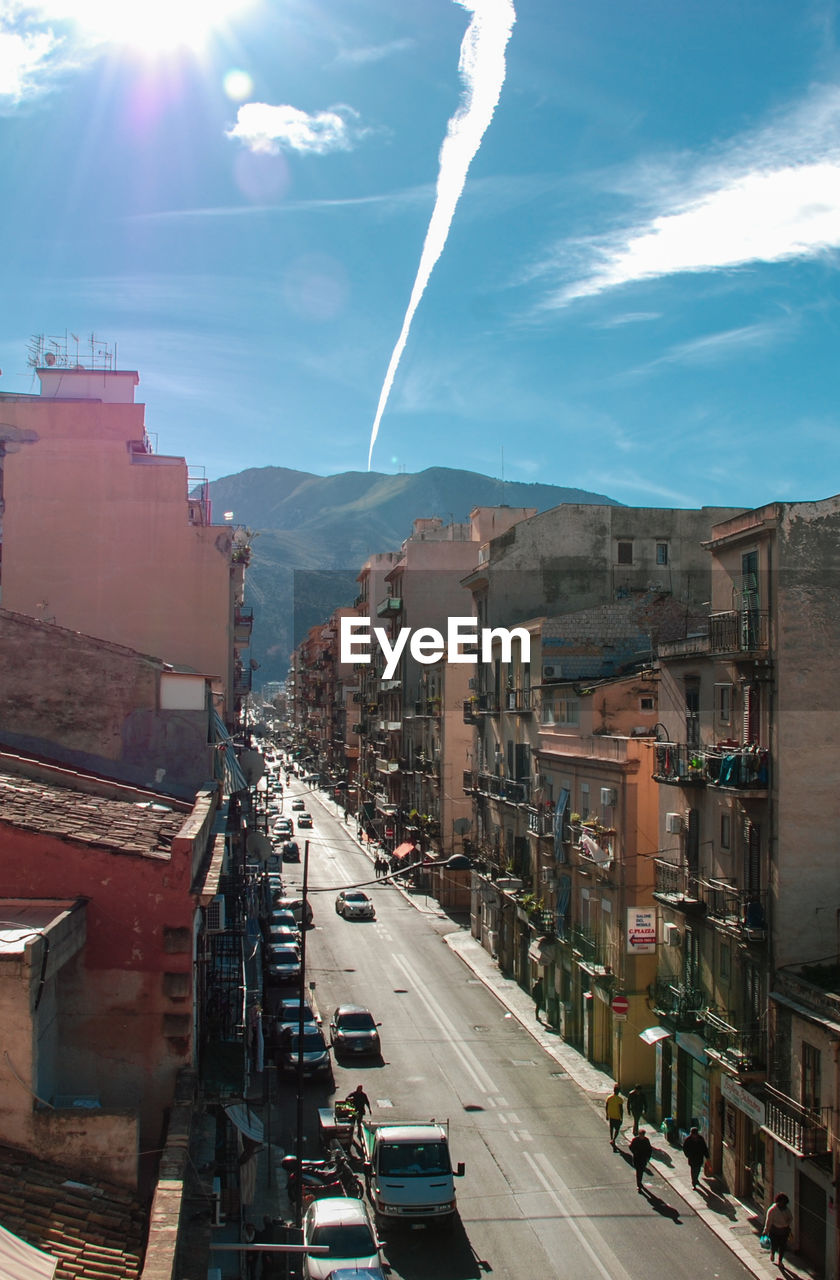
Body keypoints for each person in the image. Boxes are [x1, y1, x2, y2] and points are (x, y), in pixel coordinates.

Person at [764, 1192, 793, 1267]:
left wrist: (787, 1224)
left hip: (784, 1231)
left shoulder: (787, 1210)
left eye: (785, 1204)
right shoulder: (772, 1210)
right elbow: (769, 1221)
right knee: (774, 1245)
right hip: (774, 1231)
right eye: (782, 1203)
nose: (784, 1205)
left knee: (783, 1247)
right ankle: (772, 1253)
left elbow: (790, 1218)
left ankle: (780, 1261)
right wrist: (766, 1231)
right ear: (778, 1202)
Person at [605, 1083, 624, 1149]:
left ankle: (611, 1138)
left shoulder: (609, 1098)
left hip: (611, 1116)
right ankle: (614, 1139)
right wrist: (621, 1117)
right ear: (618, 1091)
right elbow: (621, 1109)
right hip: (617, 1117)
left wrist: (607, 1114)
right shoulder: (620, 1099)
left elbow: (606, 1107)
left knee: (611, 1128)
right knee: (617, 1129)